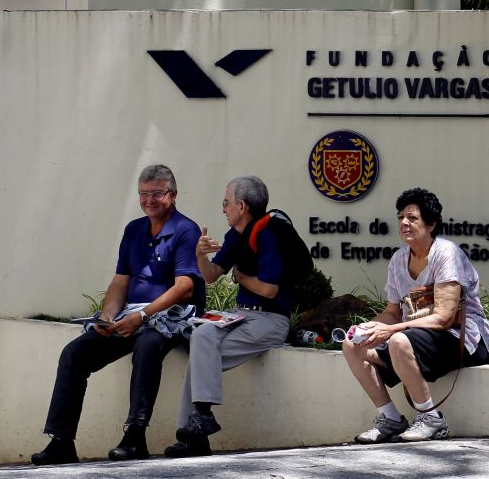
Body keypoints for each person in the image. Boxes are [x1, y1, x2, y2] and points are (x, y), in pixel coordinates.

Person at [32, 164, 204, 465]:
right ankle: (61, 442)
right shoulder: (134, 230)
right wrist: (108, 316)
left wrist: (144, 316)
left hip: (170, 318)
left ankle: (135, 437)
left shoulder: (185, 230)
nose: (149, 200)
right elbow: (120, 282)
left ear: (173, 195)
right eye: (143, 193)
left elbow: (185, 287)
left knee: (148, 344)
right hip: (130, 316)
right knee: (74, 353)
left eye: (157, 193)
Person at [164, 175, 312, 457]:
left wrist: (241, 277)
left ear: (242, 206)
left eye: (226, 203)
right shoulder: (234, 236)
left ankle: (194, 436)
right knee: (202, 334)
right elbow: (210, 276)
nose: (223, 209)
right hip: (241, 316)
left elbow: (269, 290)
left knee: (200, 359)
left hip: (270, 320)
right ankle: (201, 419)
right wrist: (199, 255)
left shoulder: (269, 233)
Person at [342, 188, 489, 443]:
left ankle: (431, 419)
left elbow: (444, 318)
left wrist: (391, 330)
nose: (404, 223)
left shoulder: (446, 253)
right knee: (352, 345)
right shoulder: (398, 259)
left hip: (462, 338)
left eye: (412, 218)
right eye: (401, 217)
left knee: (398, 340)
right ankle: (390, 418)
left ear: (431, 223)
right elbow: (392, 312)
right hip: (416, 338)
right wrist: (368, 327)